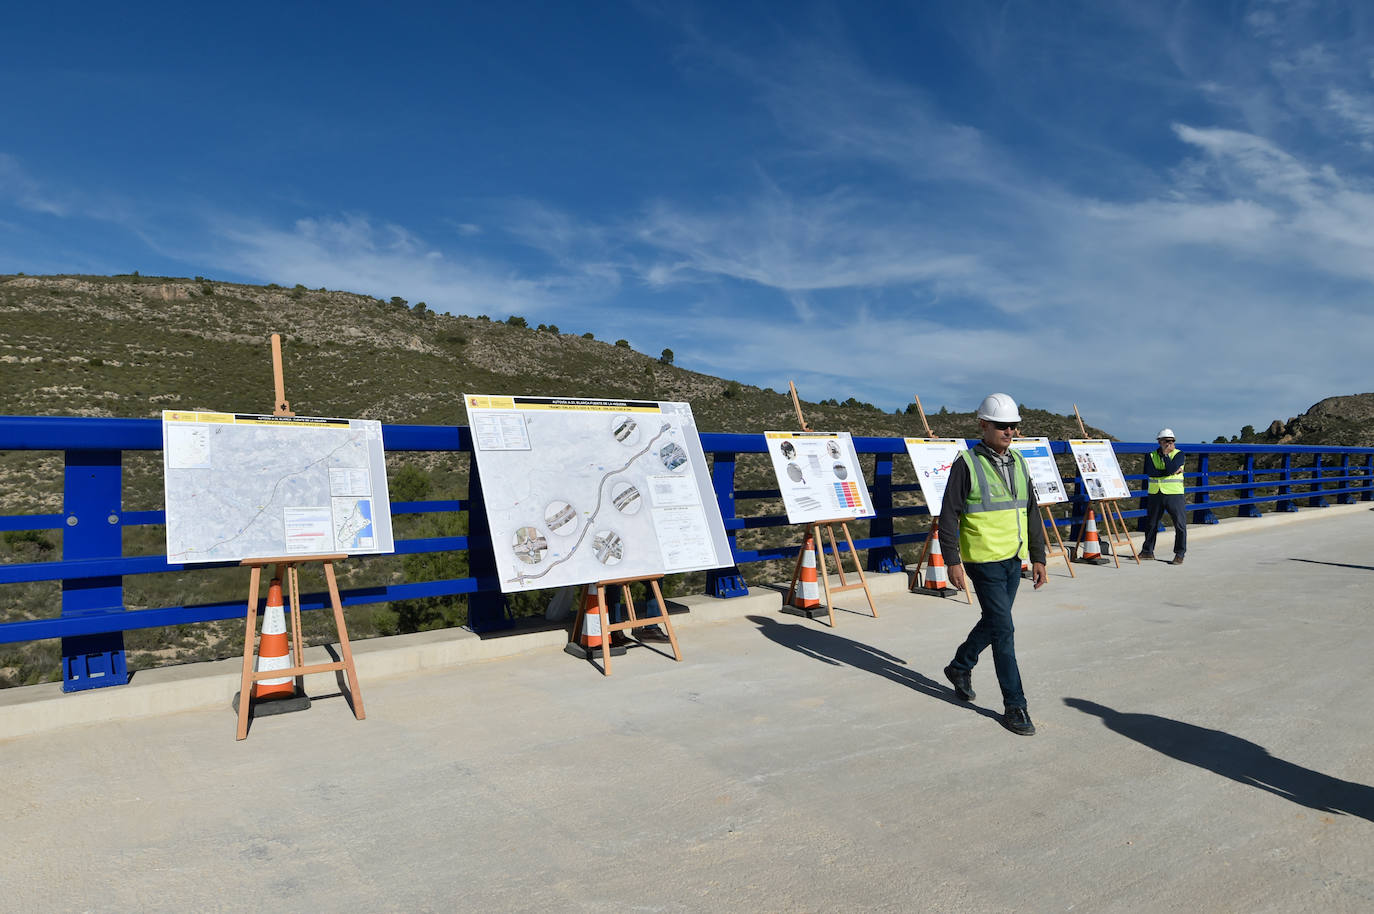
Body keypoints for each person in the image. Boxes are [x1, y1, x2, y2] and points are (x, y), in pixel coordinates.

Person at [938, 393, 1047, 736]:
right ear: (983, 425)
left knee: (995, 623)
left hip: (1013, 559)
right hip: (982, 560)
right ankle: (1015, 705)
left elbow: (1031, 511)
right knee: (1005, 631)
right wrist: (952, 561)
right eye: (1002, 426)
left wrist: (1039, 555)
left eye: (1014, 426)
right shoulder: (966, 464)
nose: (1009, 431)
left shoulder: (1019, 462)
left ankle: (960, 665)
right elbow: (948, 515)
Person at [1139, 428, 1186, 564]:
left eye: (1172, 441)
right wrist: (1167, 471)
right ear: (1160, 441)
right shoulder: (1151, 455)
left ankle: (1180, 553)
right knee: (1151, 524)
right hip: (1155, 493)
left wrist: (1166, 456)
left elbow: (1170, 469)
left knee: (1180, 525)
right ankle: (1147, 551)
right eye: (1167, 441)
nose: (1170, 444)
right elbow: (1150, 472)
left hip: (1174, 494)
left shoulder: (1179, 454)